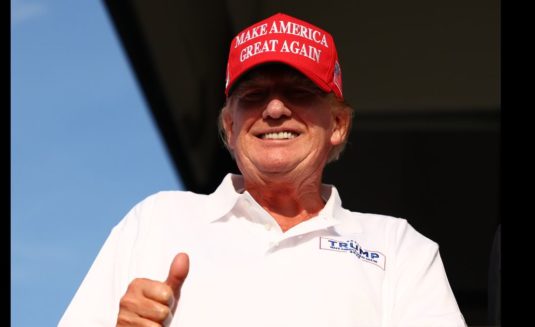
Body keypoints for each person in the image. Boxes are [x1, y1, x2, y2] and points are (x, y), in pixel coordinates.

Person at [59, 12, 467, 327]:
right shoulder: (155, 221)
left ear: (338, 125)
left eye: (298, 92)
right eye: (253, 95)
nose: (274, 109)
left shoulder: (399, 248)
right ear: (230, 127)